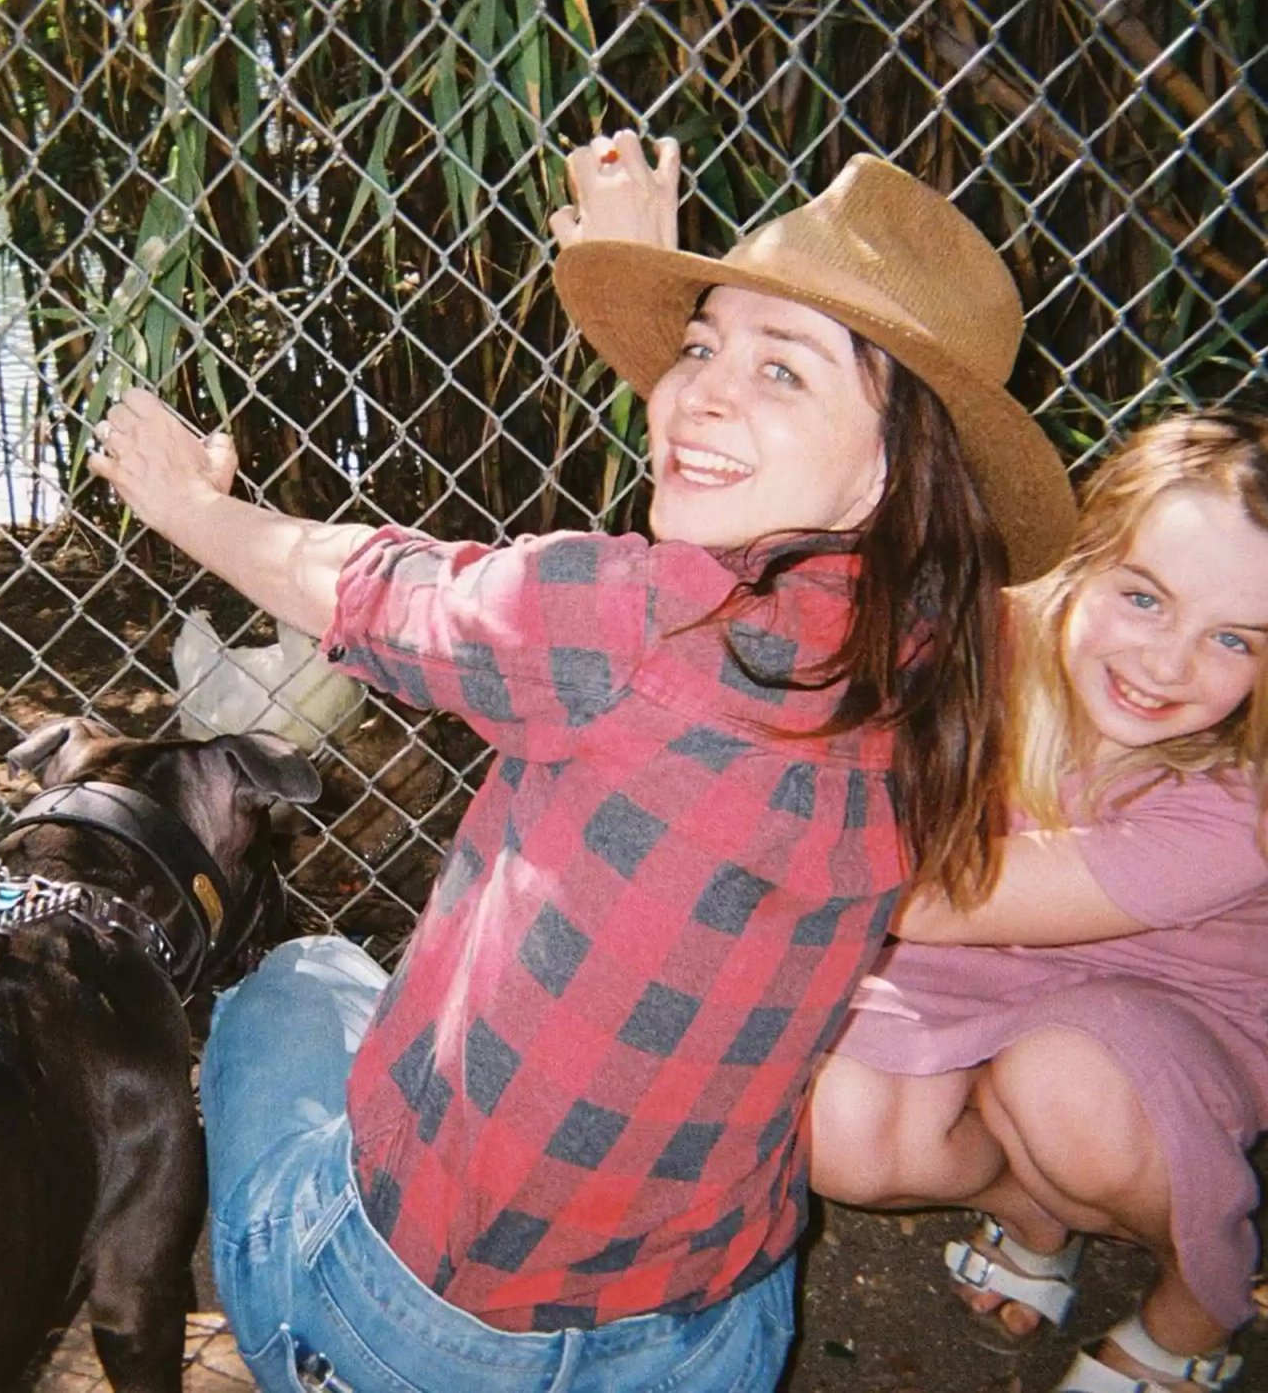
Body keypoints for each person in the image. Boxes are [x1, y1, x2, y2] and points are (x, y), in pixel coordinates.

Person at [87, 132, 1075, 1392]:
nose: (697, 390)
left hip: (422, 1331)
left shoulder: (623, 626)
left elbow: (356, 584)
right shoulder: (945, 656)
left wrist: (186, 504)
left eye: (784, 367)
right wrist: (647, 280)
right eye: (700, 346)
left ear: (895, 465)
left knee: (297, 975)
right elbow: (735, 476)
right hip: (710, 1333)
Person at [808, 411, 1268, 1393]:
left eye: (1231, 638)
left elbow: (940, 899)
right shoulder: (993, 637)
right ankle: (1033, 1203)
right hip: (973, 969)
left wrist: (763, 833)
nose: (1166, 663)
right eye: (1142, 596)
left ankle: (1196, 1297)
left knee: (1062, 1080)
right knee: (844, 1133)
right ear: (1081, 558)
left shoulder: (1250, 800)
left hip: (1154, 1012)